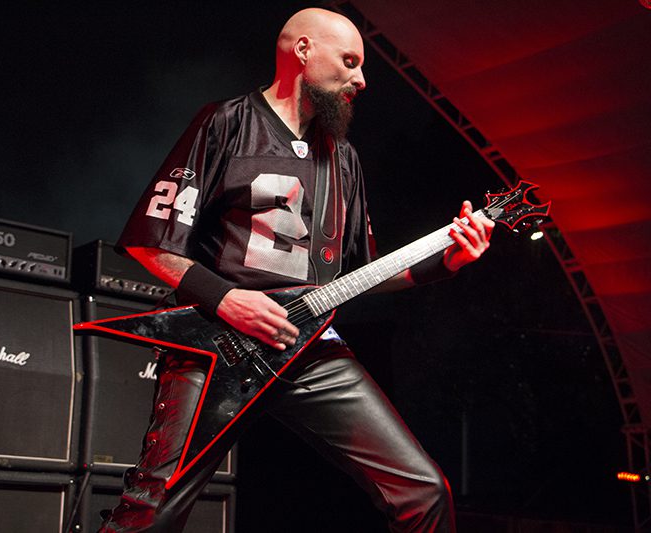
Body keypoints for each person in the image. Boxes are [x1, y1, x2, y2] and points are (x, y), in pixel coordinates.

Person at [100, 7, 494, 532]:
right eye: (350, 62)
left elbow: (361, 273)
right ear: (303, 50)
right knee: (153, 511)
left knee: (425, 492)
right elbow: (150, 242)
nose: (362, 79)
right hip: (216, 347)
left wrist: (447, 262)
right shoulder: (226, 123)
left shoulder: (342, 158)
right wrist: (226, 299)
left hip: (311, 350)